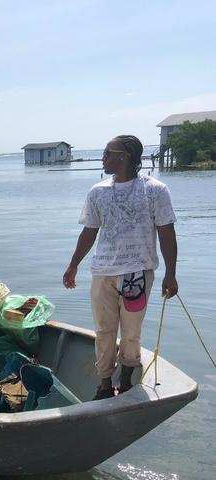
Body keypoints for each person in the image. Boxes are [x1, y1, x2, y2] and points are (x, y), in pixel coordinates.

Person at [63, 135, 178, 400]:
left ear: (124, 157)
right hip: (103, 273)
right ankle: (104, 383)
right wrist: (73, 266)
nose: (103, 158)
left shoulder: (155, 190)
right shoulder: (98, 192)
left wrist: (170, 274)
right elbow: (89, 233)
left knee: (131, 331)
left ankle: (126, 381)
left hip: (136, 274)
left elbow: (167, 233)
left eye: (107, 153)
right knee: (104, 330)